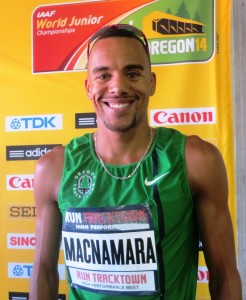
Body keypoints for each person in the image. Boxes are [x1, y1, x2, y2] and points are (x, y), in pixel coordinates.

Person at [29, 24, 242, 300]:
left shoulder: (195, 160)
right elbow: (44, 271)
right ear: (88, 86)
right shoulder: (54, 168)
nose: (118, 87)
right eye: (103, 75)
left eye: (132, 73)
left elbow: (224, 273)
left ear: (151, 82)